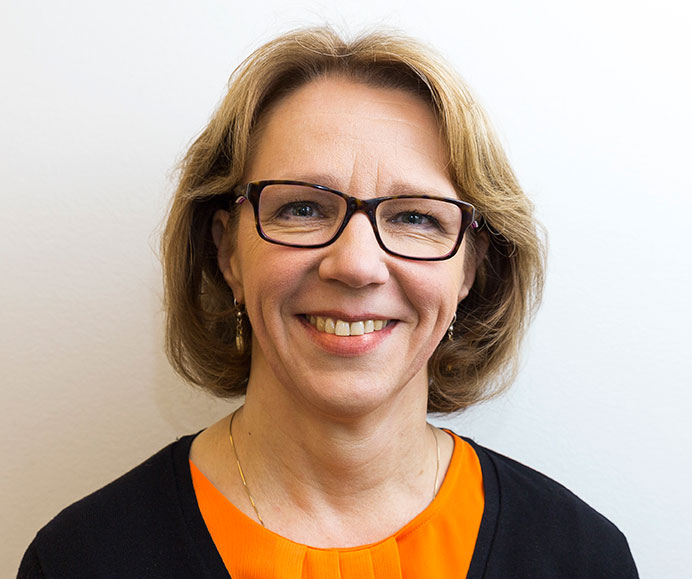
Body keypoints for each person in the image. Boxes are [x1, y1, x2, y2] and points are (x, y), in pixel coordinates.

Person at [18, 27, 638, 578]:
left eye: (415, 217)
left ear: (471, 266)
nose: (357, 265)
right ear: (227, 251)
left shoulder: (581, 558)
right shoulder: (80, 561)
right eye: (303, 208)